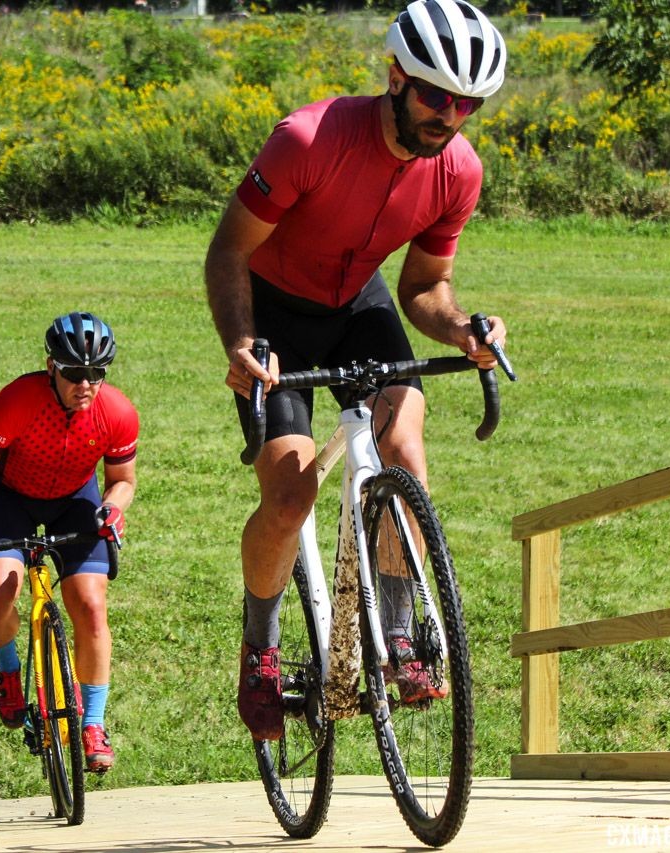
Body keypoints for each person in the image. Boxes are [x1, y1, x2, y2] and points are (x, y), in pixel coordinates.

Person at [204, 0, 510, 741]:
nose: (450, 114)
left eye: (467, 103)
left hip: (357, 305)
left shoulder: (457, 169)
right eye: (436, 95)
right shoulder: (307, 139)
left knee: (404, 444)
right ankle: (261, 650)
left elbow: (423, 289)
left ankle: (401, 633)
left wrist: (467, 329)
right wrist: (242, 343)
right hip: (273, 311)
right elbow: (229, 251)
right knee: (289, 499)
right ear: (397, 77)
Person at [0, 311, 139, 772]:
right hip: (10, 498)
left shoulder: (117, 412)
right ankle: (10, 670)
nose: (86, 384)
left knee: (91, 606)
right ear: (51, 366)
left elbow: (122, 480)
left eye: (97, 374)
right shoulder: (17, 402)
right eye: (75, 373)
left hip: (76, 499)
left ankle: (93, 723)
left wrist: (114, 509)